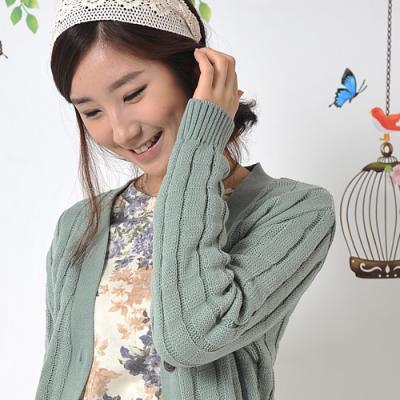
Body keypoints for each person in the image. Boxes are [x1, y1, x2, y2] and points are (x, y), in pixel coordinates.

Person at [35, 1, 337, 399]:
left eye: (133, 93)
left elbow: (193, 337)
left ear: (193, 72)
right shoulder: (78, 224)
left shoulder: (294, 211)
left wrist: (201, 144)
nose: (121, 132)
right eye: (91, 112)